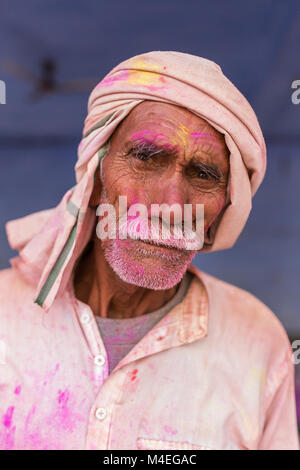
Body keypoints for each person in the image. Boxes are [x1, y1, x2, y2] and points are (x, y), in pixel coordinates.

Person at [0, 51, 298, 450]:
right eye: (146, 157)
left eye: (204, 174)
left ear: (223, 208)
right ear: (96, 175)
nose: (171, 203)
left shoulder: (257, 340)